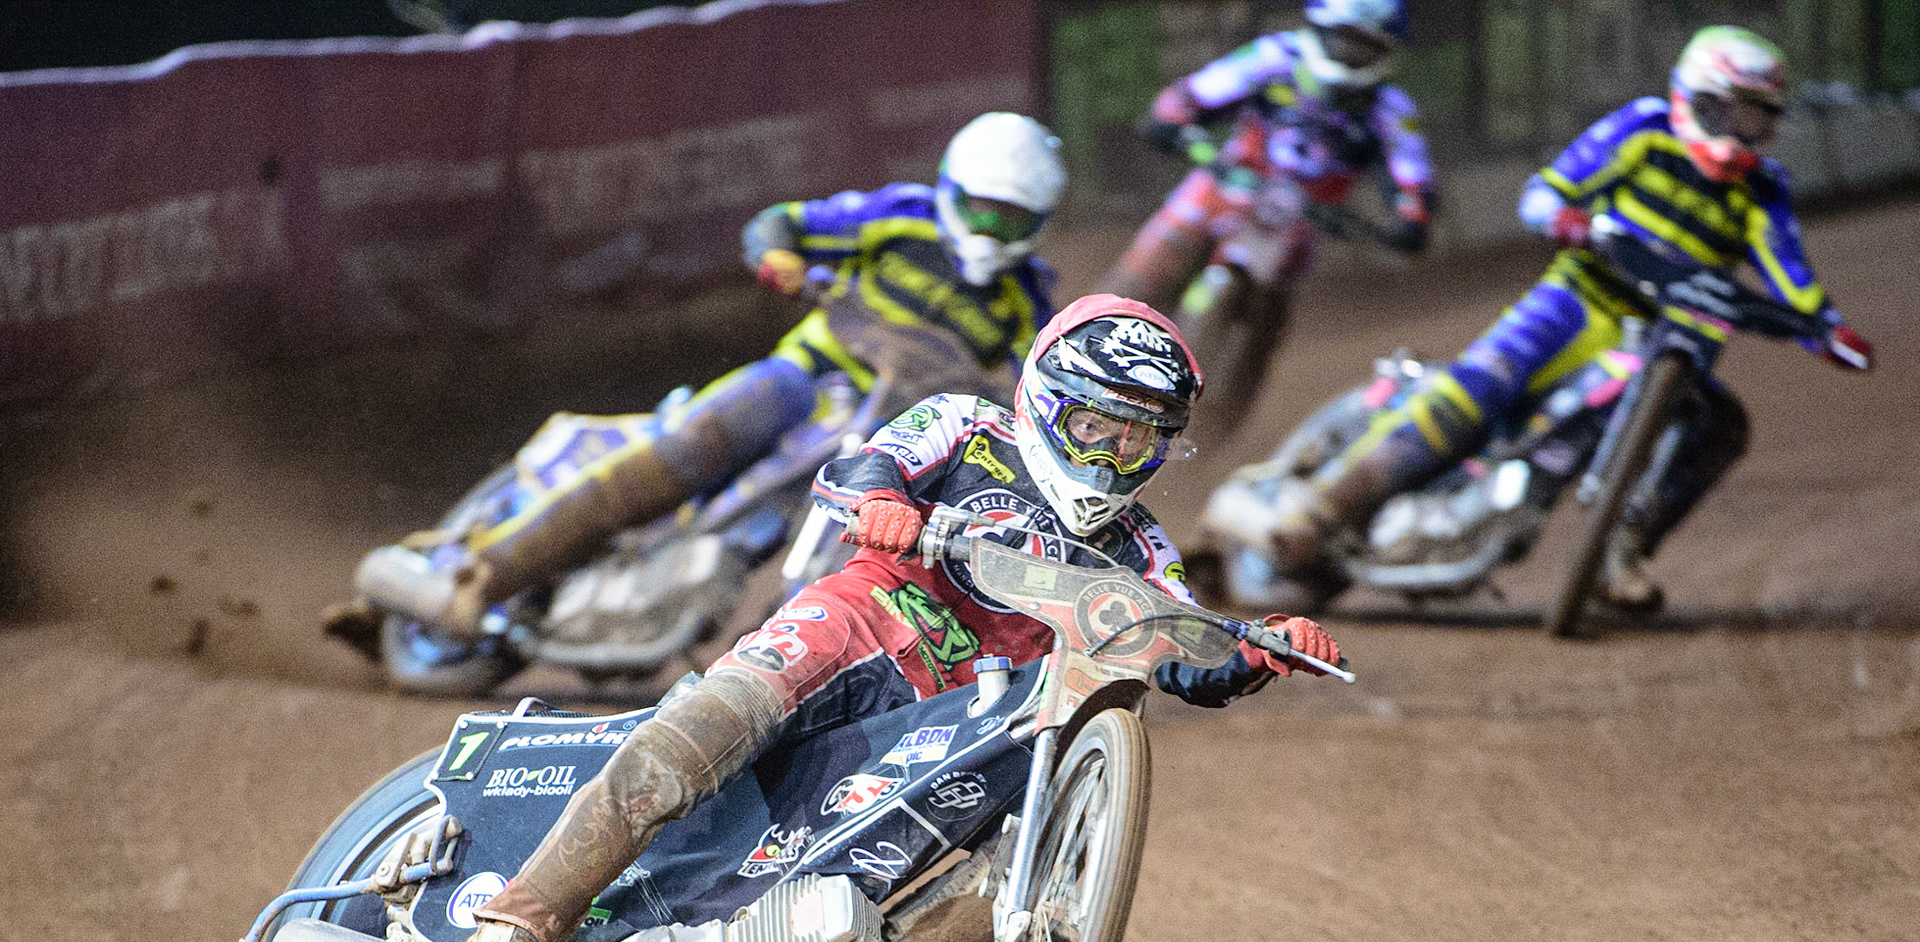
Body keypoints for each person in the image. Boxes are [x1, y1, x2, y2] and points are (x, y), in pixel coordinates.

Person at [455, 295, 1344, 942]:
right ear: (1048, 405)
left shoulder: (1145, 552)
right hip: (862, 621)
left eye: (1142, 437)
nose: (1116, 456)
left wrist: (1257, 653)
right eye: (1099, 428)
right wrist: (886, 505)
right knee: (701, 729)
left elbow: (1182, 650)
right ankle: (515, 931)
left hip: (962, 716)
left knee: (1025, 871)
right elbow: (865, 468)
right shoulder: (967, 424)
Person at [347, 112, 1067, 637]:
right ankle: (479, 578)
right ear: (951, 187)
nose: (992, 232)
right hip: (808, 380)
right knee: (696, 444)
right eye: (982, 209)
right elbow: (782, 221)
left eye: (1013, 220)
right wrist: (780, 257)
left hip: (888, 432)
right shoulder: (898, 218)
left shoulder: (1025, 300)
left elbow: (1037, 380)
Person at [1236, 26, 1874, 612]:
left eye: (1753, 118)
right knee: (1481, 384)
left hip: (1681, 335)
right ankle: (1322, 511)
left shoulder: (1764, 188)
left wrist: (1828, 329)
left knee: (1720, 428)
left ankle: (1622, 553)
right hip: (1581, 297)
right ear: (1690, 97)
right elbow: (1548, 189)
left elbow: (1792, 276)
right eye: (1724, 111)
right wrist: (1567, 219)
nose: (1736, 132)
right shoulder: (1647, 128)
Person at [1100, 0, 1434, 318]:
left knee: (1276, 300)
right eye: (1345, 40)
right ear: (1320, 29)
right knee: (1151, 259)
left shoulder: (1391, 107)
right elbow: (1201, 90)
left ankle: (1242, 362)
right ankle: (1087, 327)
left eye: (1366, 46)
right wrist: (1171, 117)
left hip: (1305, 217)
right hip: (1230, 179)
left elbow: (1411, 171)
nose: (1352, 54)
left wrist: (1412, 218)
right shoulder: (1276, 56)